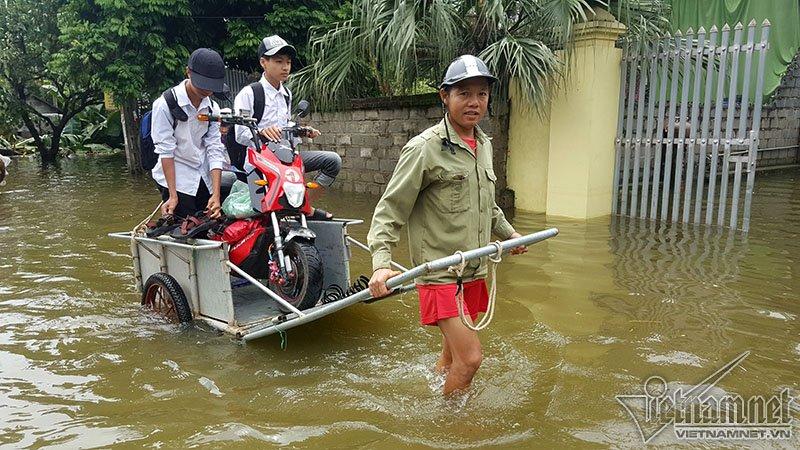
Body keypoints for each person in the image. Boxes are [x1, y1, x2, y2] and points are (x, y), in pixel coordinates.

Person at [367, 55, 527, 396]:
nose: (474, 102)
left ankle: (436, 392)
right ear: (445, 96)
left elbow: (487, 204)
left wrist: (509, 234)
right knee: (470, 359)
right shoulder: (424, 149)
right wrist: (381, 265)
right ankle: (451, 426)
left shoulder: (483, 144)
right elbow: (390, 210)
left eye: (482, 94)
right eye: (464, 93)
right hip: (440, 273)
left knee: (452, 354)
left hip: (475, 268)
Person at [232, 35, 341, 220]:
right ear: (263, 62)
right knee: (261, 215)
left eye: (288, 62)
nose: (285, 67)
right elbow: (240, 133)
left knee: (333, 161)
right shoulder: (250, 93)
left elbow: (286, 128)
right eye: (279, 61)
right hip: (261, 161)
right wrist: (260, 132)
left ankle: (304, 207)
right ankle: (293, 211)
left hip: (285, 159)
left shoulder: (287, 94)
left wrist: (301, 131)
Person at [151, 48, 228, 221]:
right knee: (185, 225)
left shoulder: (212, 109)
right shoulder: (165, 105)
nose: (208, 91)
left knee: (211, 222)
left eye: (212, 87)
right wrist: (172, 196)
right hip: (176, 173)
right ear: (188, 72)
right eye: (203, 84)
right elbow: (166, 151)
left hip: (201, 170)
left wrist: (215, 195)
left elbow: (215, 149)